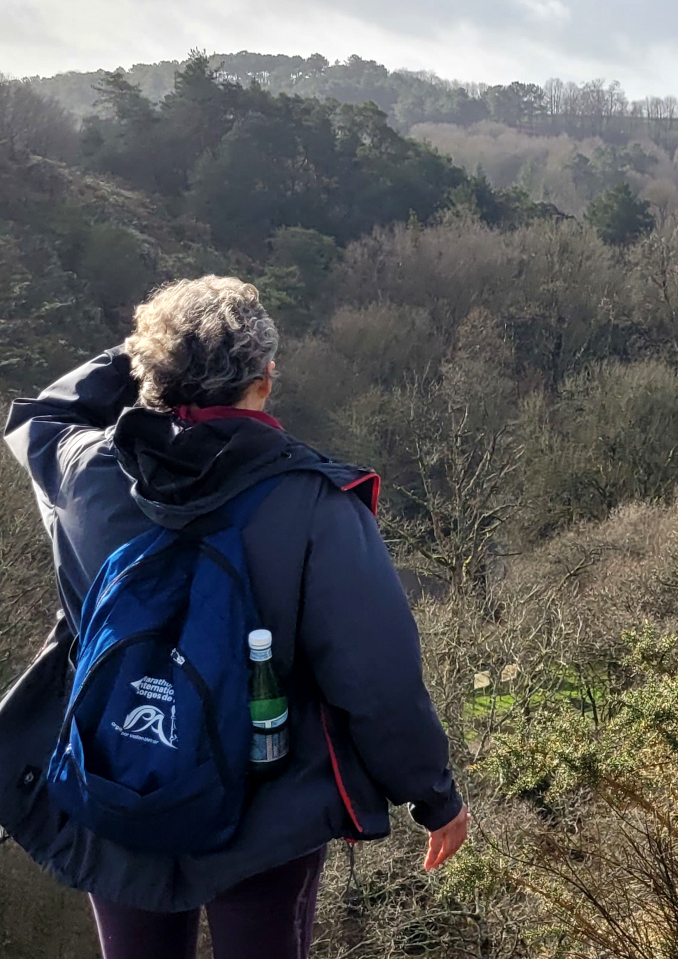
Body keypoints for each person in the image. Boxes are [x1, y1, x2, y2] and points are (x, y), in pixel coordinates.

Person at [0, 276, 468, 959]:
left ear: (149, 375)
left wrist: (153, 351)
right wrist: (433, 796)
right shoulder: (315, 503)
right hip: (266, 805)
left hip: (116, 773)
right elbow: (377, 678)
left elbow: (44, 411)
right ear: (265, 379)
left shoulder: (83, 471)